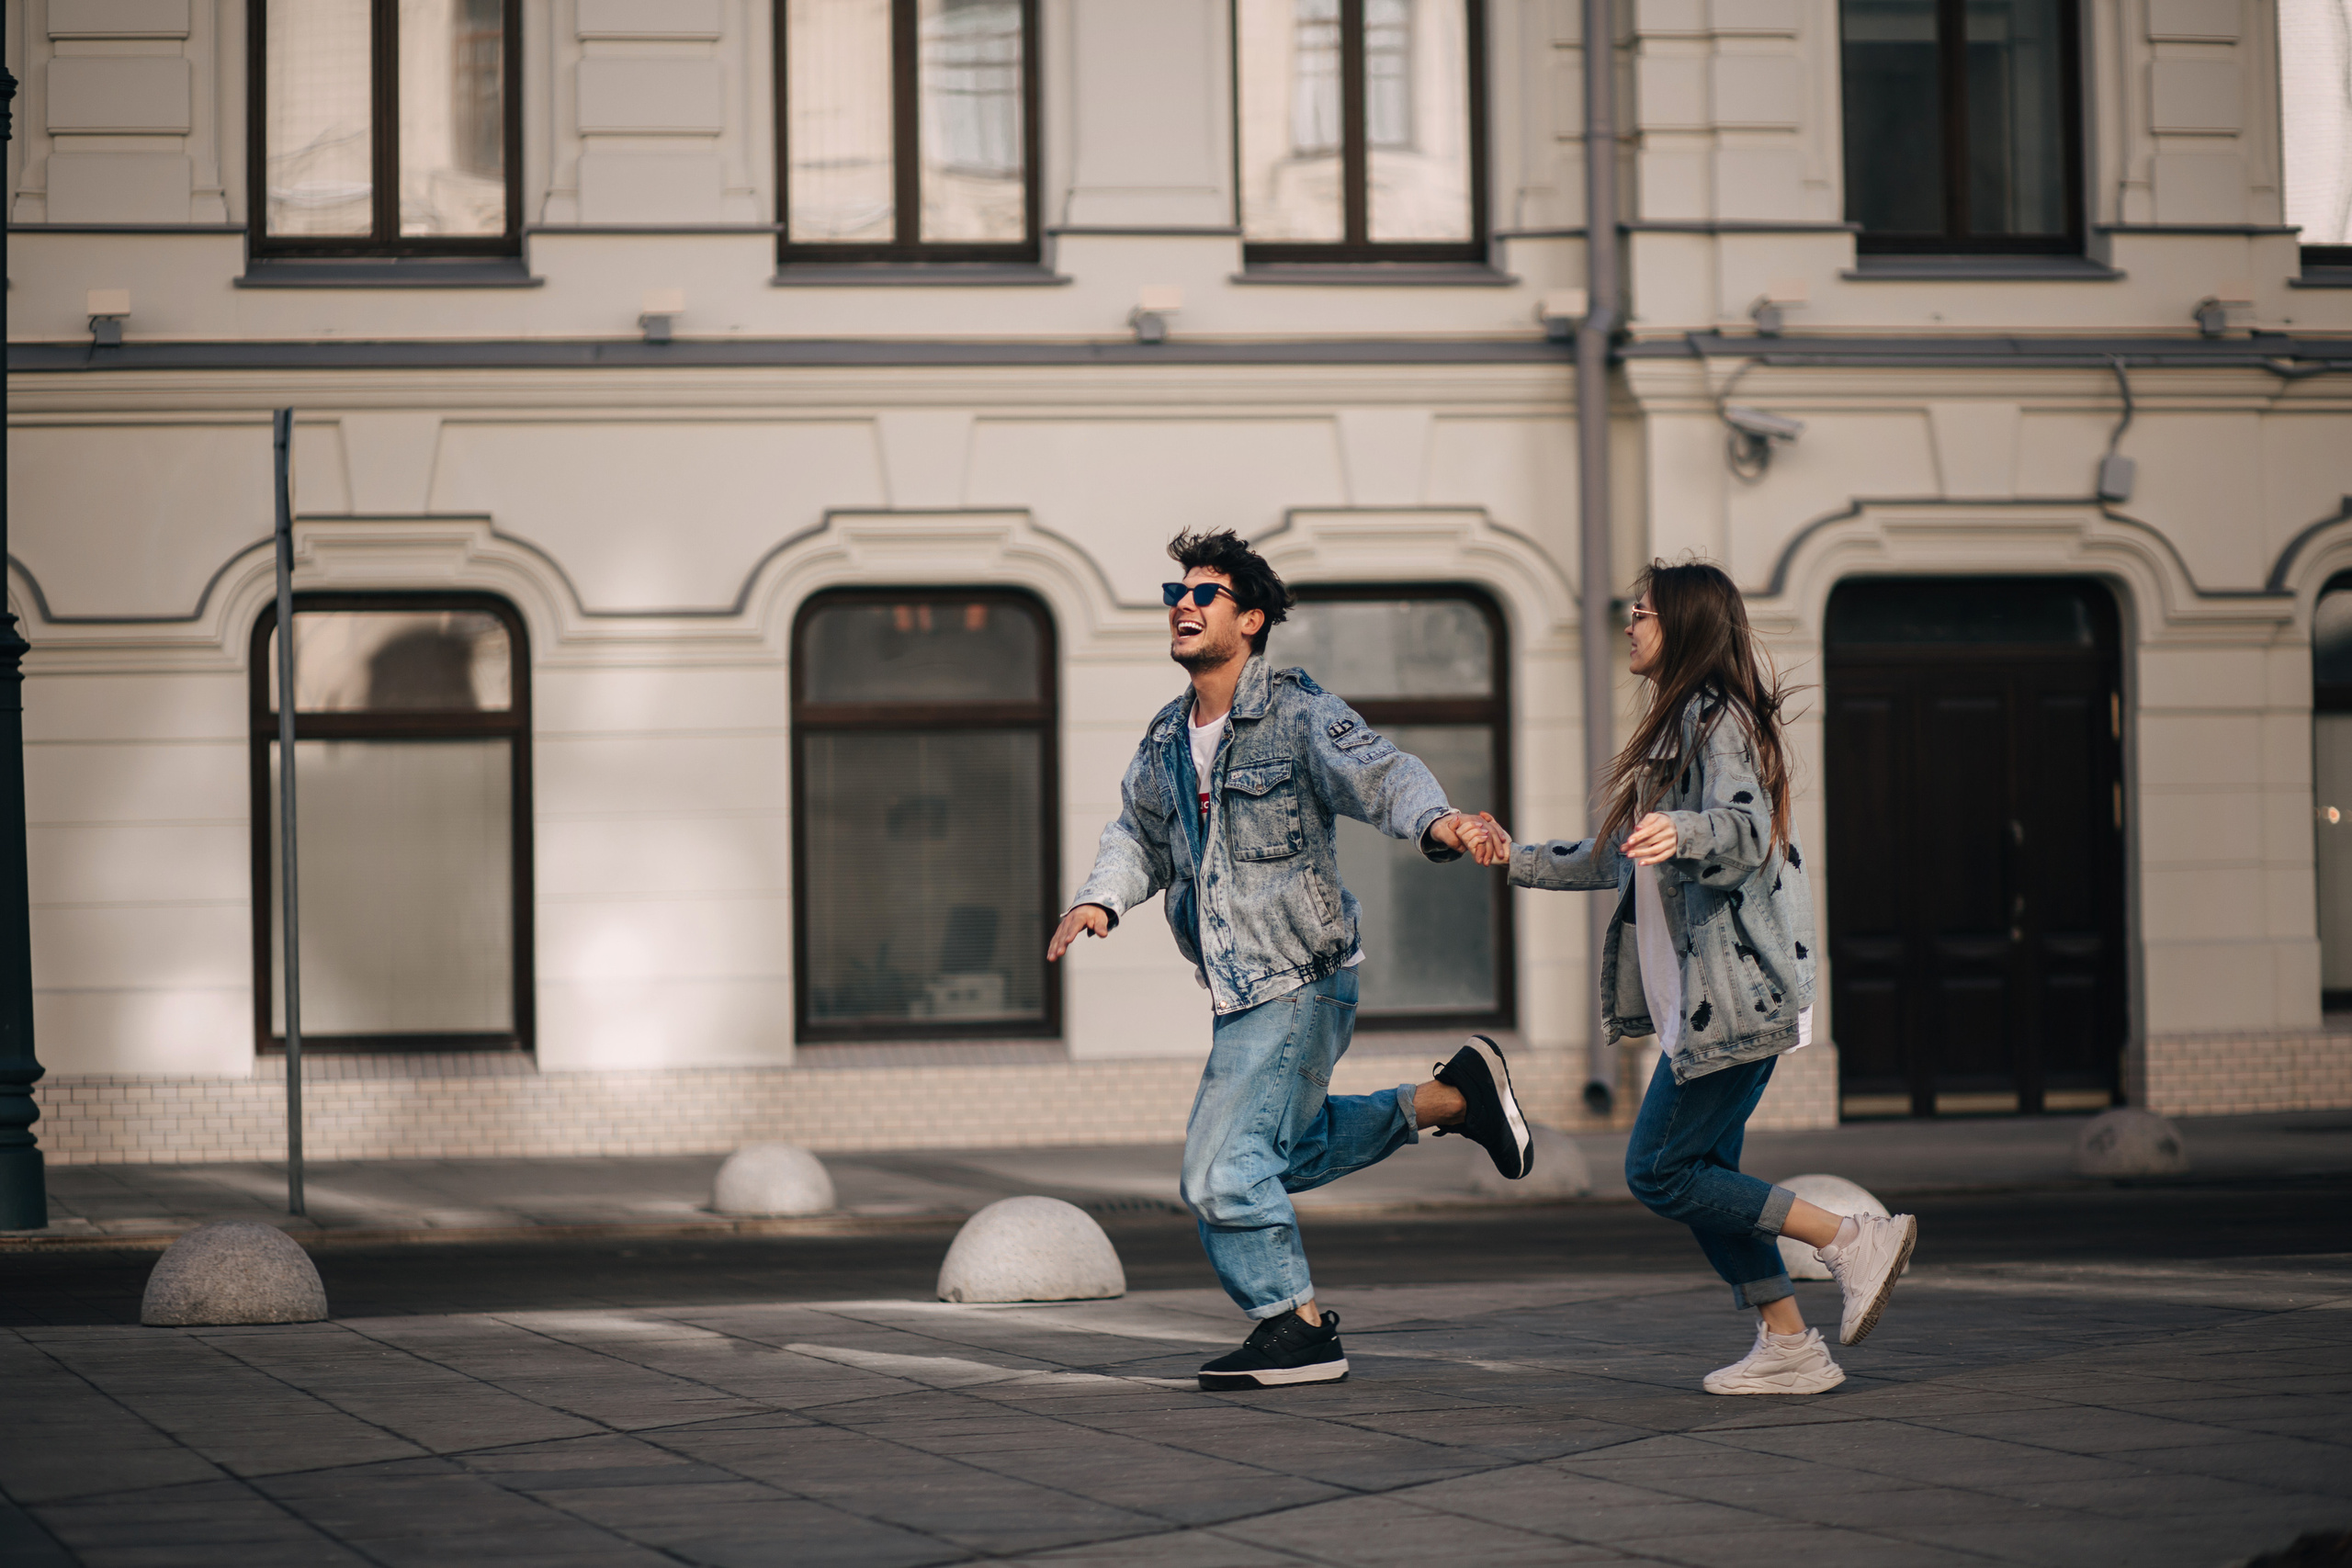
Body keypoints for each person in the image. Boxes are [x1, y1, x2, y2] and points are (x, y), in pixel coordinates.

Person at [1049, 528, 1530, 1392]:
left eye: (1206, 594)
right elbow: (1139, 835)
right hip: (1239, 985)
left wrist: (1441, 822)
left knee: (1219, 1168)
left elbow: (1381, 773)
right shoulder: (1166, 737)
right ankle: (1455, 1098)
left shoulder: (1299, 711)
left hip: (1301, 975)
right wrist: (1101, 897)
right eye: (1177, 593)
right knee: (1277, 1149)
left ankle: (1296, 1325)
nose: (1184, 606)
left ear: (1254, 618)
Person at [1472, 559, 1917, 1395]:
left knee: (1661, 1172)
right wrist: (1515, 856)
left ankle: (1851, 1237)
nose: (1629, 627)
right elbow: (1616, 860)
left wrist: (1683, 827)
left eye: (1640, 614)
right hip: (1706, 1004)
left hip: (1735, 998)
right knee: (1712, 1181)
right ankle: (1789, 1345)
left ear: (1682, 625)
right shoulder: (1683, 724)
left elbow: (1745, 831)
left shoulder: (1716, 720)